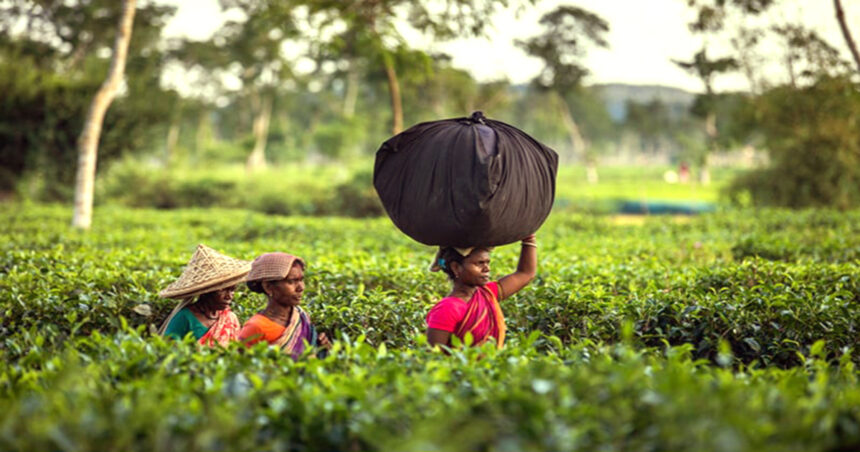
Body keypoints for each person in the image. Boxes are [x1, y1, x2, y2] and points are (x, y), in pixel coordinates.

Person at [426, 234, 537, 349]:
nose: (487, 268)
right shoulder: (447, 309)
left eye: (487, 262)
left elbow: (525, 274)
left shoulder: (487, 293)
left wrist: (529, 238)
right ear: (456, 267)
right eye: (479, 263)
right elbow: (433, 356)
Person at [238, 252, 331, 359]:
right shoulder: (255, 327)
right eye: (292, 281)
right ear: (268, 287)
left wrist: (323, 347)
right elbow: (242, 368)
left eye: (301, 280)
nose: (301, 287)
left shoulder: (301, 316)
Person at [158, 244, 251, 346]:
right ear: (206, 292)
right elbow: (169, 350)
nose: (229, 296)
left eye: (232, 290)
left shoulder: (230, 318)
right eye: (222, 291)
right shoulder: (184, 317)